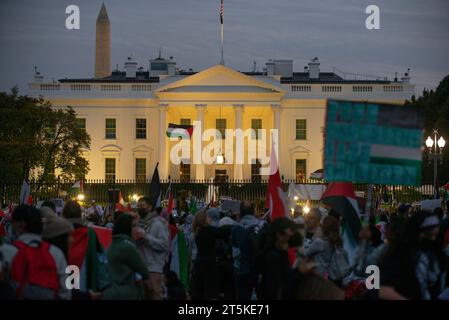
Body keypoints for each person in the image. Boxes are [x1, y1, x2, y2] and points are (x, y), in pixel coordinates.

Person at [379, 211, 448, 300]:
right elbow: (384, 290)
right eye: (429, 235)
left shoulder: (438, 257)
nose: (433, 239)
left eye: (435, 235)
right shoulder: (399, 256)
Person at [6, 206, 71, 299]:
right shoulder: (56, 252)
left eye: (12, 222)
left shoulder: (7, 250)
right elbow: (66, 291)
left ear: (20, 225)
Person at [257, 217, 307, 299]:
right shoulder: (273, 256)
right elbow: (281, 286)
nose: (290, 240)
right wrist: (299, 272)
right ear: (279, 235)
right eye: (288, 236)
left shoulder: (276, 252)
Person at [102, 214, 149, 300]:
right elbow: (144, 272)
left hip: (111, 292)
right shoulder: (128, 246)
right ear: (126, 227)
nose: (137, 229)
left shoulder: (113, 244)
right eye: (134, 226)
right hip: (125, 293)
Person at [134, 196, 169, 300]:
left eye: (142, 206)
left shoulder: (158, 224)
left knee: (154, 296)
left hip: (154, 269)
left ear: (149, 207)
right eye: (138, 206)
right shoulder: (137, 224)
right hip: (140, 269)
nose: (140, 208)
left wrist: (146, 237)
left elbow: (164, 245)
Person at [190, 209, 230, 299]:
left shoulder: (198, 231)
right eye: (208, 216)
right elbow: (222, 232)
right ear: (204, 219)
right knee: (209, 292)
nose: (210, 218)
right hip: (209, 265)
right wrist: (234, 226)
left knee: (199, 292)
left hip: (199, 263)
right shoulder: (208, 230)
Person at [231, 201, 266, 299]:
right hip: (259, 270)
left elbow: (235, 253)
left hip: (242, 271)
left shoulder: (236, 228)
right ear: (253, 210)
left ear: (240, 211)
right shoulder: (262, 226)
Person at [303, 216, 351, 286]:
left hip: (320, 277)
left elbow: (306, 254)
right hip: (334, 278)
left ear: (324, 228)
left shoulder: (320, 242)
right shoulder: (338, 242)